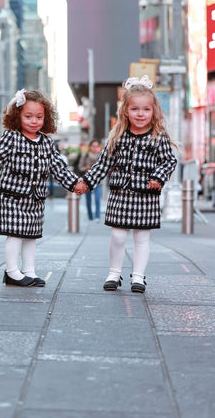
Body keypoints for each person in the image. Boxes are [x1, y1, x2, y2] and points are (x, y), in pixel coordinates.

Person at [75, 75, 177, 294]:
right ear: (125, 111)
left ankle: (138, 277)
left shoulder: (158, 137)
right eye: (135, 109)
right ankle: (114, 272)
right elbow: (103, 164)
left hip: (146, 194)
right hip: (121, 194)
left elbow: (169, 160)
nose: (140, 114)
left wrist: (158, 177)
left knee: (142, 238)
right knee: (118, 235)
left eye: (146, 110)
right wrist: (86, 182)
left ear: (154, 111)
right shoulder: (118, 136)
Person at [0, 89, 81, 287]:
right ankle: (12, 271)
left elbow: (58, 166)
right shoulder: (11, 138)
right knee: (15, 234)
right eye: (28, 116)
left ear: (46, 118)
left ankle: (29, 270)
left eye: (39, 117)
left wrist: (74, 184)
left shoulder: (46, 142)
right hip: (12, 197)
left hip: (35, 199)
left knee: (31, 235)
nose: (34, 121)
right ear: (17, 116)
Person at [77, 139, 103, 221]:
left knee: (97, 199)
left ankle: (97, 216)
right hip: (87, 182)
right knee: (88, 200)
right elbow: (80, 167)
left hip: (98, 182)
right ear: (90, 147)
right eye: (93, 146)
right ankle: (90, 216)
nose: (95, 148)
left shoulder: (101, 156)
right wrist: (86, 168)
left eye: (96, 146)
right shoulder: (85, 156)